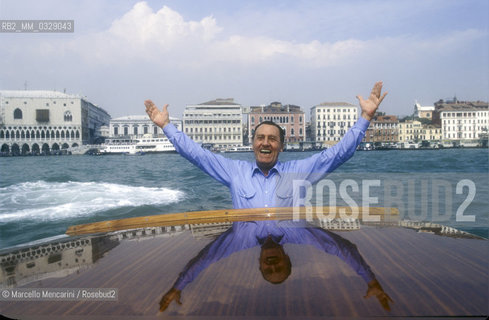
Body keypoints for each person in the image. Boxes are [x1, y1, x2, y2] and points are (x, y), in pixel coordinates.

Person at [145, 82, 387, 209]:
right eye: (260, 138)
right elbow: (197, 154)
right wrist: (166, 126)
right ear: (253, 144)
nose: (265, 143)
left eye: (272, 139)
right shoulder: (234, 171)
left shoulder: (298, 172)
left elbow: (338, 154)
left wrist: (365, 117)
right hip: (246, 248)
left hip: (287, 241)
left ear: (281, 146)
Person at [158, 220, 393, 312]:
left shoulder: (239, 239)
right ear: (288, 258)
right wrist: (370, 281)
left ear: (259, 264)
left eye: (268, 270)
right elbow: (342, 248)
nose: (272, 266)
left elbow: (206, 258)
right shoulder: (298, 230)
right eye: (279, 268)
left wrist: (178, 286)